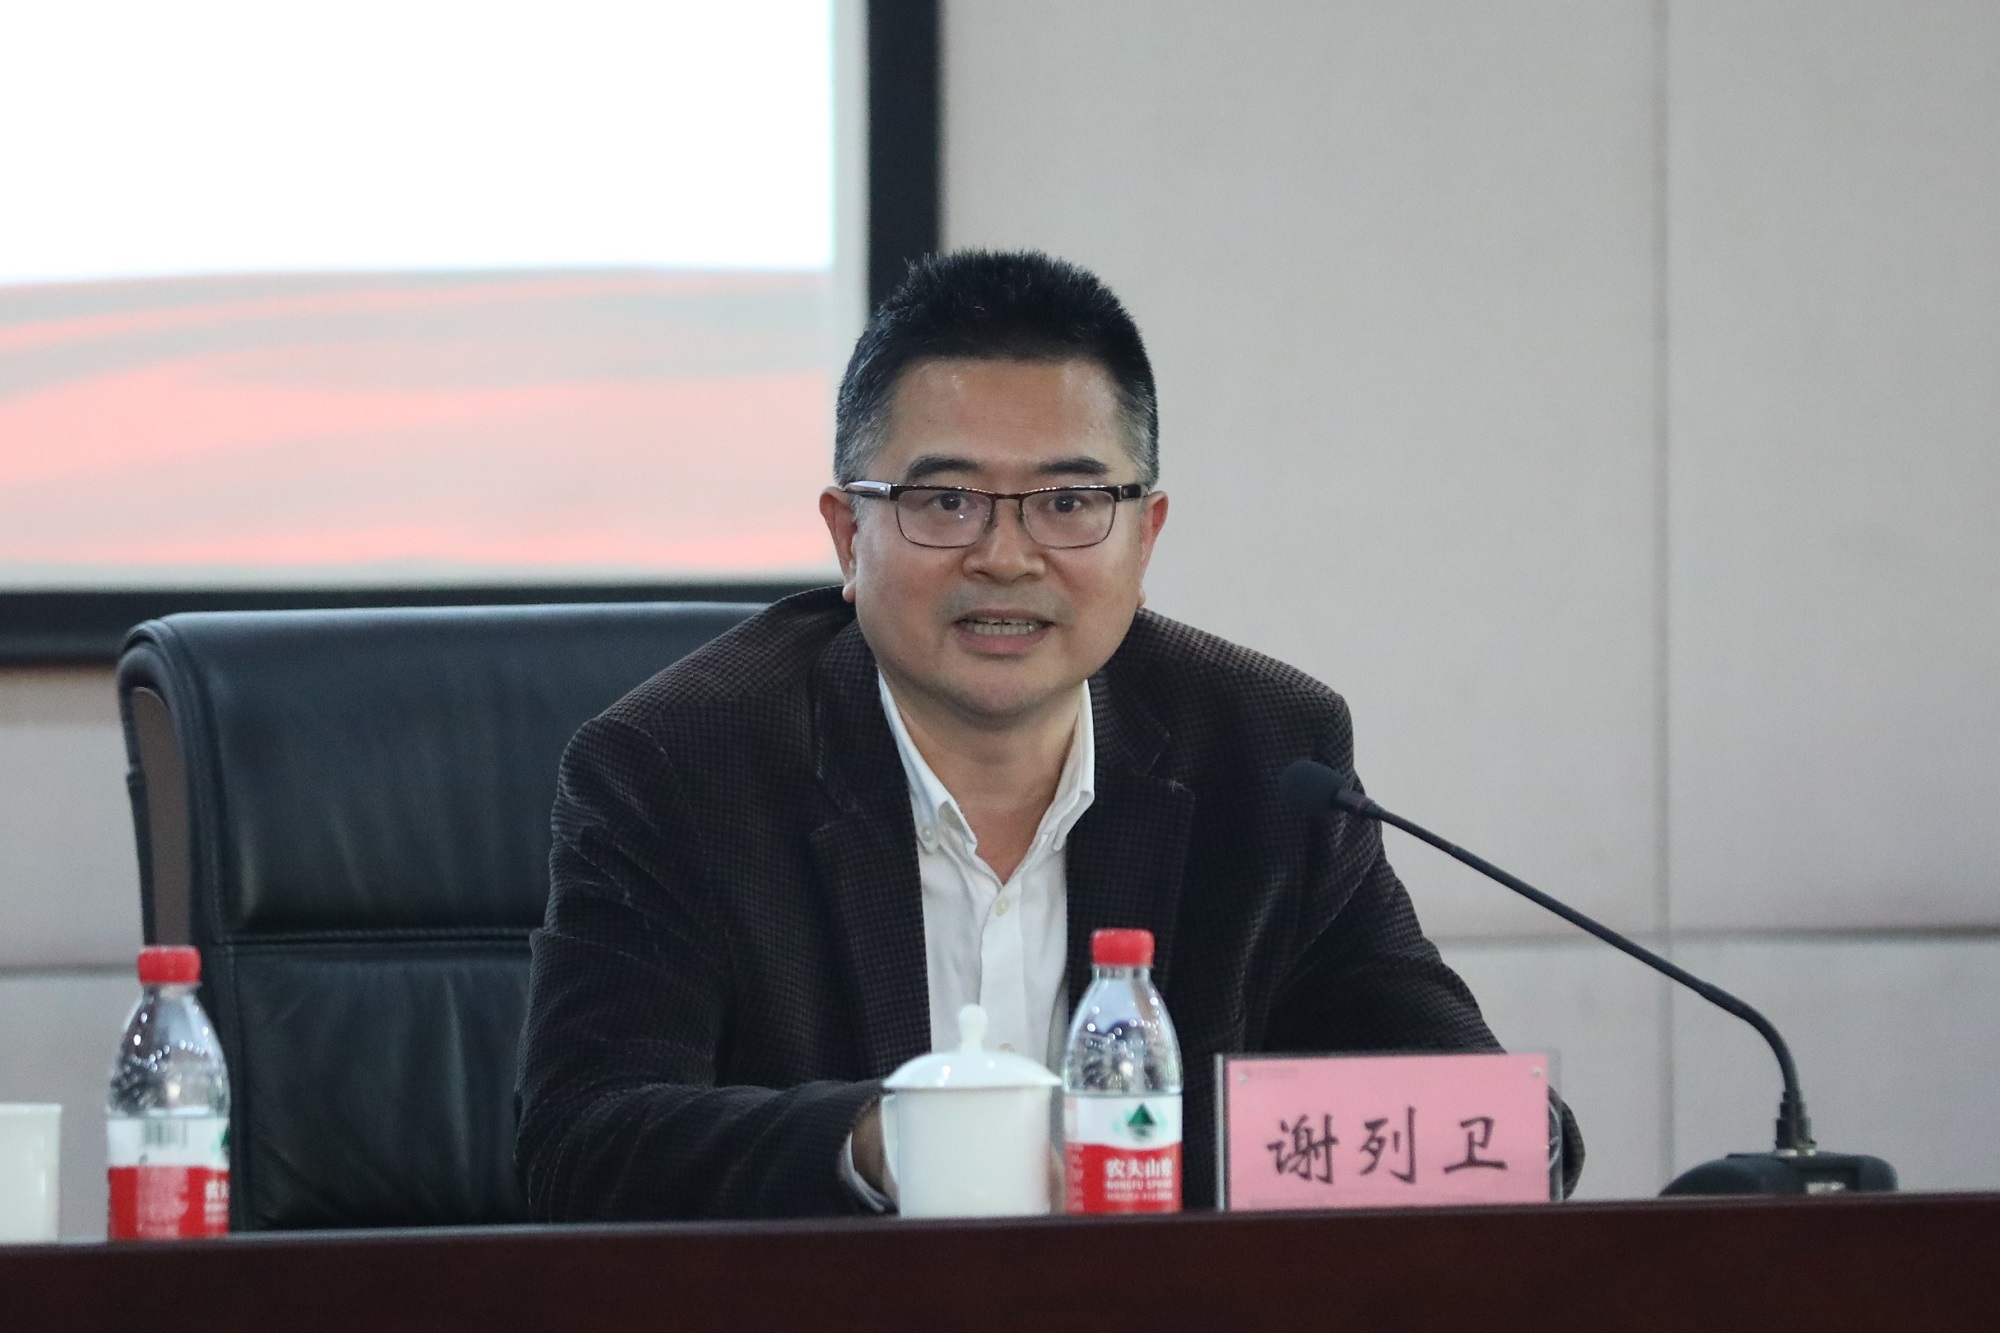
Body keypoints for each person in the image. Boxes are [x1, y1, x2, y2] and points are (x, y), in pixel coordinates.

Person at [516, 250, 1581, 1218]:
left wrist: (1126, 1151)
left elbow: (1485, 1124)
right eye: (945, 500)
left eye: (1068, 501)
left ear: (1143, 536)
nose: (1006, 556)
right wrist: (890, 1143)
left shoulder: (1265, 753)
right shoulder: (679, 766)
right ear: (848, 534)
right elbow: (581, 1144)